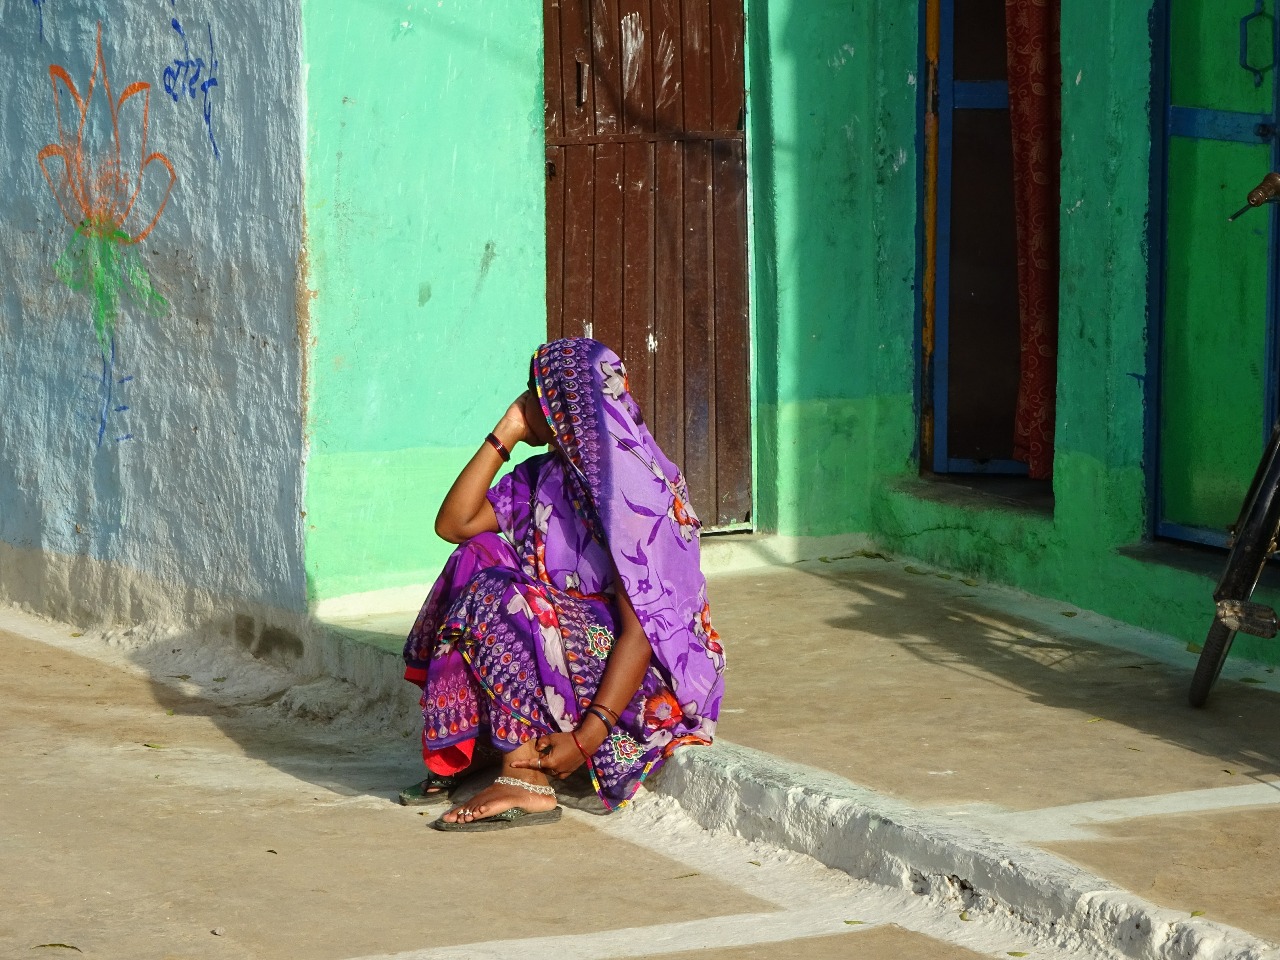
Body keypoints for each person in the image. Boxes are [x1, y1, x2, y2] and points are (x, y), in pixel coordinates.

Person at [400, 337, 725, 831]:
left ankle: (525, 778)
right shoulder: (547, 477)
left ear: (569, 407)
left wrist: (588, 737)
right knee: (476, 556)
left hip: (634, 677)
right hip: (566, 648)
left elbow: (642, 633)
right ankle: (479, 741)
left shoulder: (632, 490)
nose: (529, 402)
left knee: (506, 596)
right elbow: (455, 524)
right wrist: (506, 431)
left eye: (537, 393)